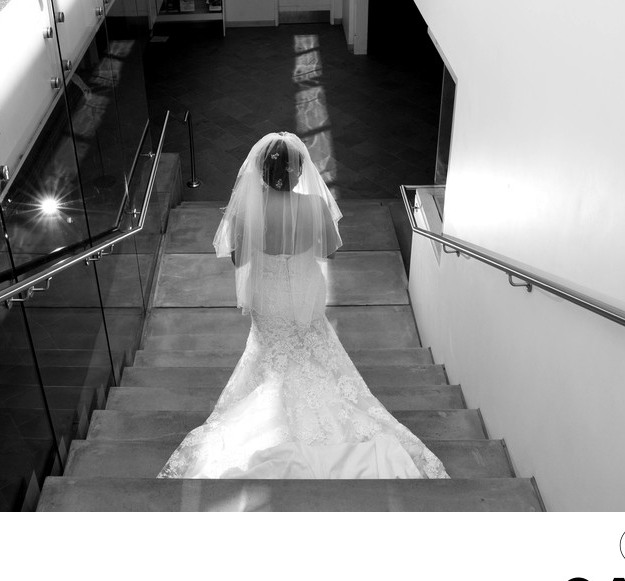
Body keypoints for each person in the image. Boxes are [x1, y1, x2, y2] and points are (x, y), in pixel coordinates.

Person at [157, 132, 449, 479]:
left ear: (261, 171)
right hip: (305, 292)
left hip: (268, 295)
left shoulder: (248, 210)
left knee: (270, 353)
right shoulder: (314, 206)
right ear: (298, 173)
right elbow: (328, 251)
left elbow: (239, 261)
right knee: (311, 346)